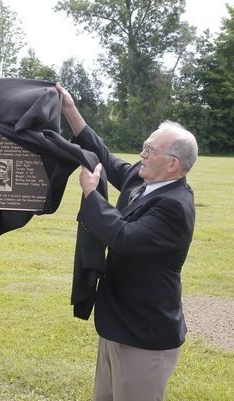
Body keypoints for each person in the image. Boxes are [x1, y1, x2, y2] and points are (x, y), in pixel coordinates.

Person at [57, 84, 198, 401]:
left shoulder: (175, 206)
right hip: (117, 324)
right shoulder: (145, 178)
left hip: (144, 336)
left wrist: (92, 195)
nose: (141, 155)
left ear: (172, 163)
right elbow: (104, 156)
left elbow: (123, 238)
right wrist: (69, 110)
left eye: (150, 151)